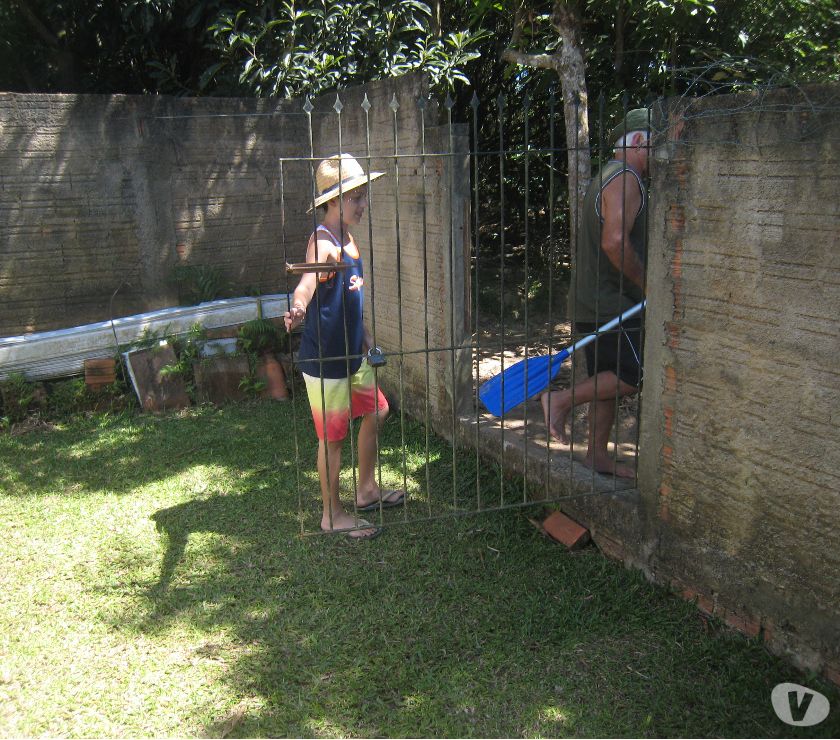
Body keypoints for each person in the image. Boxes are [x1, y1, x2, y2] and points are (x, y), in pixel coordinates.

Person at [284, 153, 405, 539]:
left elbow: (349, 302)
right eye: (355, 197)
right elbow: (308, 280)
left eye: (363, 195)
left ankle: (366, 491)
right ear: (332, 201)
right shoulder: (325, 243)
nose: (362, 204)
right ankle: (331, 514)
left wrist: (368, 339)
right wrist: (299, 304)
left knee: (378, 411)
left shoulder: (349, 240)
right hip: (325, 362)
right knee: (332, 438)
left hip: (355, 356)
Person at [541, 108, 651, 478]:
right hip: (613, 302)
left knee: (608, 376)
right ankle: (559, 399)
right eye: (656, 145)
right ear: (638, 141)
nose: (659, 156)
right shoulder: (626, 178)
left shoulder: (605, 175)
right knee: (631, 377)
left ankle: (596, 455)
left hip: (594, 301)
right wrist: (648, 283)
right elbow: (615, 242)